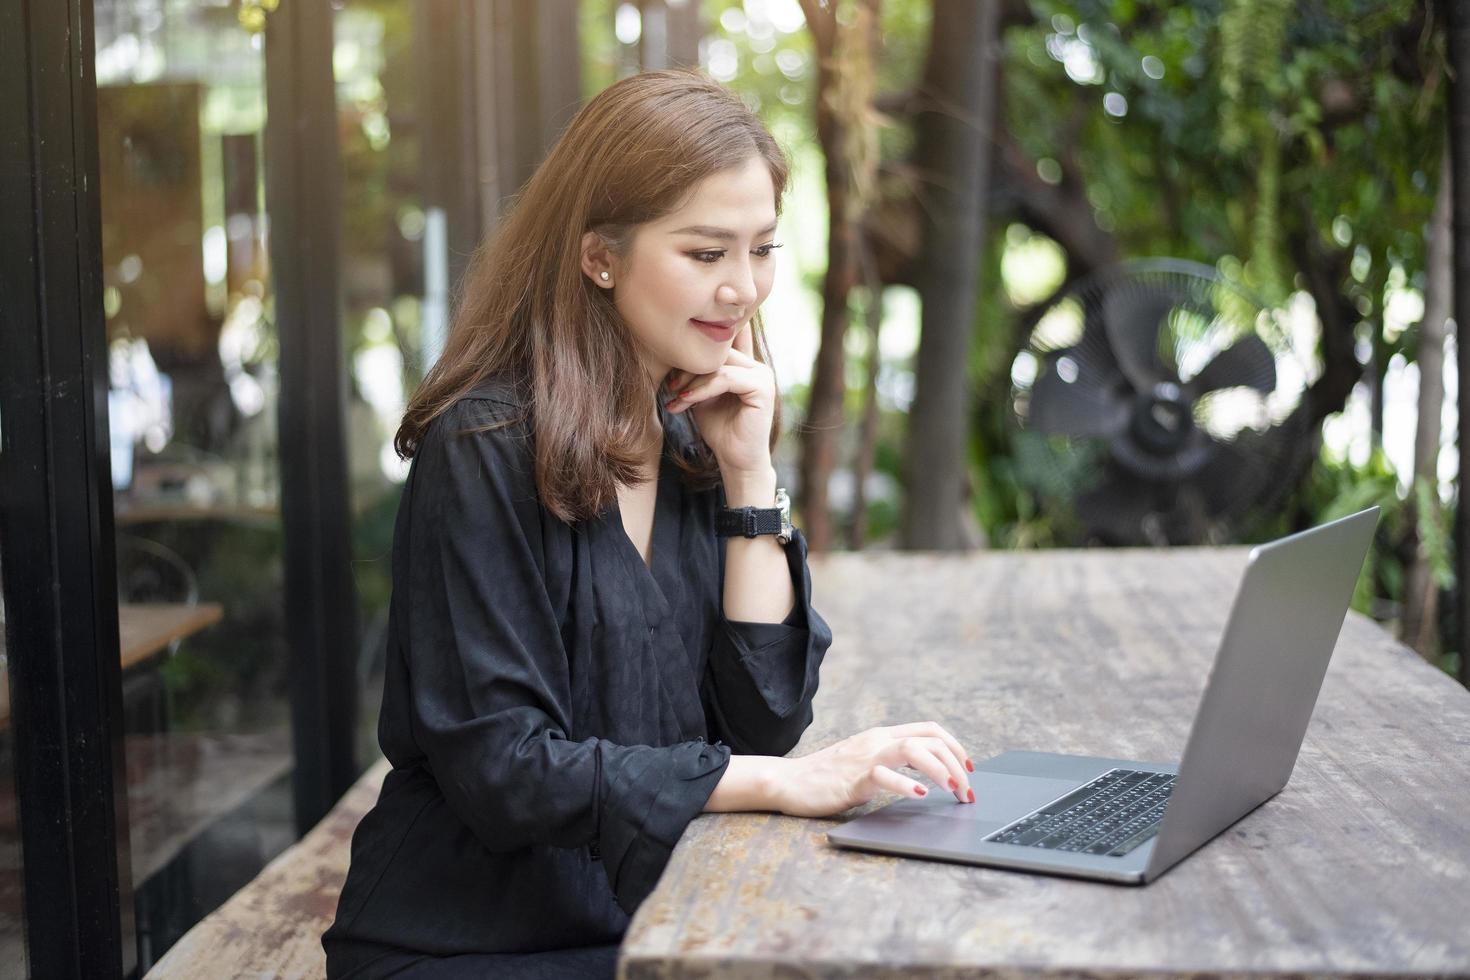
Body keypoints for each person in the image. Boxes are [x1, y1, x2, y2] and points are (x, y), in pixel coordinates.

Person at [322, 69, 976, 980]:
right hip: (470, 943)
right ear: (601, 256)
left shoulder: (691, 435)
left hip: (658, 917)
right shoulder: (483, 445)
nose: (744, 288)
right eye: (706, 254)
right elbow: (506, 771)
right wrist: (787, 786)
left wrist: (750, 469)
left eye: (761, 250)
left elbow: (765, 718)